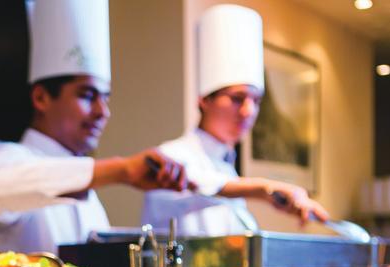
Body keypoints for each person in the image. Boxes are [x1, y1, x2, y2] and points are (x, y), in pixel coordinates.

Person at [0, 0, 191, 255]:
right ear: (41, 97)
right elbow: (0, 187)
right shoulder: (3, 159)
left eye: (105, 97)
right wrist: (122, 170)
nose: (102, 111)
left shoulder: (87, 187)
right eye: (87, 95)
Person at [141, 4, 329, 236]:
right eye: (237, 98)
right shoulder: (172, 155)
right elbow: (201, 182)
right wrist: (267, 189)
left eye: (256, 100)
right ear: (204, 101)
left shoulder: (226, 167)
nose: (249, 111)